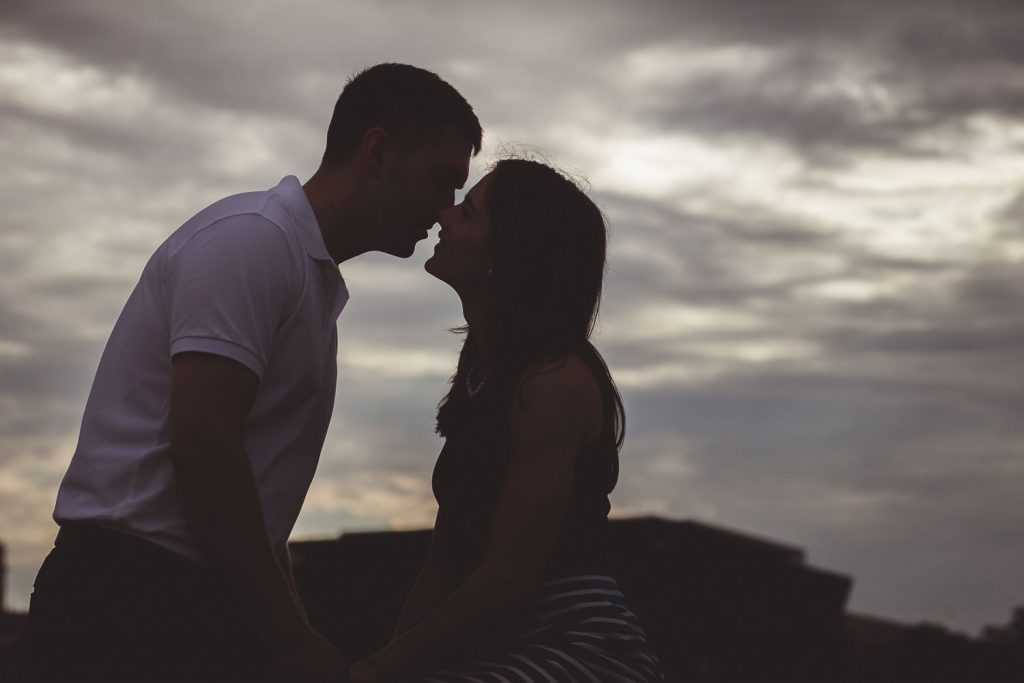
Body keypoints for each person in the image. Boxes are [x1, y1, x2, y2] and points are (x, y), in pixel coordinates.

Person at [28, 62, 482, 683]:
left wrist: (290, 632)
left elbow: (252, 491)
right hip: (129, 597)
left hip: (179, 598)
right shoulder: (254, 243)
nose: (444, 208)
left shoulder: (304, 272)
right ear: (377, 150)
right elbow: (205, 446)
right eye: (441, 180)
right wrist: (291, 636)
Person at [348, 158, 665, 682]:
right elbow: (443, 561)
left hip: (577, 648)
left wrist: (384, 667)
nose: (444, 215)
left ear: (508, 254)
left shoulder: (553, 381)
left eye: (468, 212)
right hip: (500, 642)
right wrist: (387, 661)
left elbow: (510, 575)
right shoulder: (487, 368)